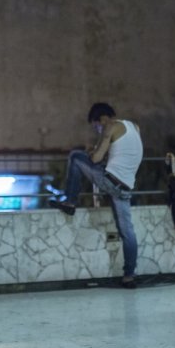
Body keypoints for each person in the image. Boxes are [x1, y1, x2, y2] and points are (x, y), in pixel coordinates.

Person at [48, 102, 143, 288]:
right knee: (128, 233)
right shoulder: (134, 126)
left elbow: (97, 158)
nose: (97, 130)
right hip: (126, 188)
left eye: (95, 126)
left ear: (101, 120)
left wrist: (92, 151)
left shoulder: (109, 126)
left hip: (110, 181)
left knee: (76, 157)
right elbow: (123, 154)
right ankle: (129, 276)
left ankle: (70, 201)